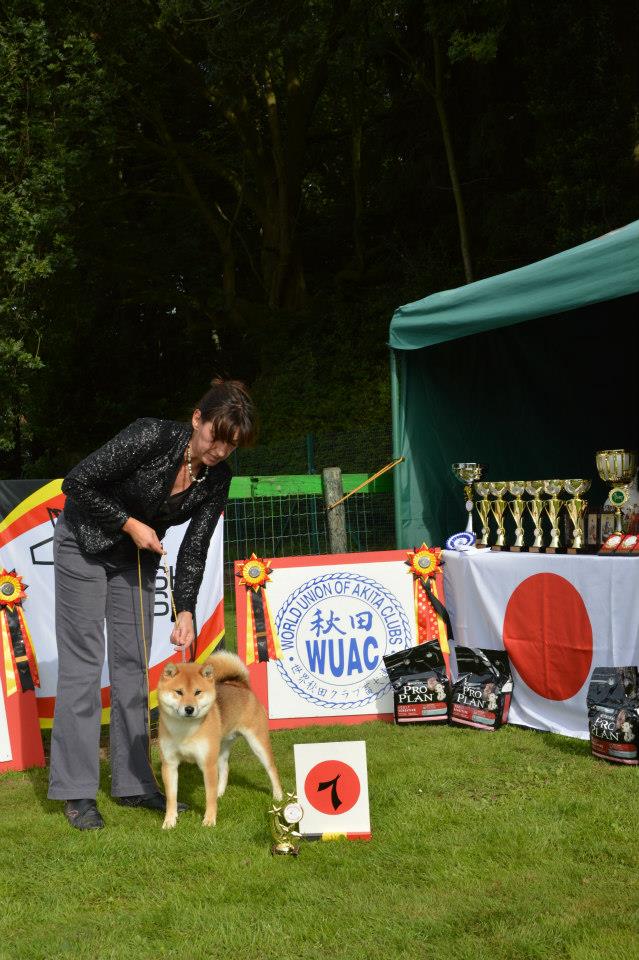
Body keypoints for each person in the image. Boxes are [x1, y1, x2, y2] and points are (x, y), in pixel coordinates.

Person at [48, 378, 255, 830]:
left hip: (134, 558)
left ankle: (133, 782)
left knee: (133, 667)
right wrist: (129, 524)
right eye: (214, 437)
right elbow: (77, 482)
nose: (219, 450)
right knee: (84, 665)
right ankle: (76, 791)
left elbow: (197, 544)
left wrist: (186, 609)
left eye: (231, 445)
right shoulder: (152, 435)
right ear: (196, 419)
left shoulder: (217, 476)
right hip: (83, 542)